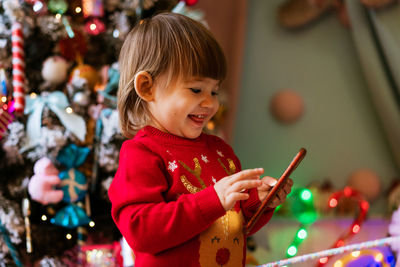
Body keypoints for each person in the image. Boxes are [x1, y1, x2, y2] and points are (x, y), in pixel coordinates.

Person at [108, 12, 293, 267]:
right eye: (196, 89)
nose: (210, 103)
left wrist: (257, 203)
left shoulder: (220, 151)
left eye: (214, 91)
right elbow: (141, 231)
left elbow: (233, 228)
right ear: (147, 88)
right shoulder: (142, 152)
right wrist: (212, 200)